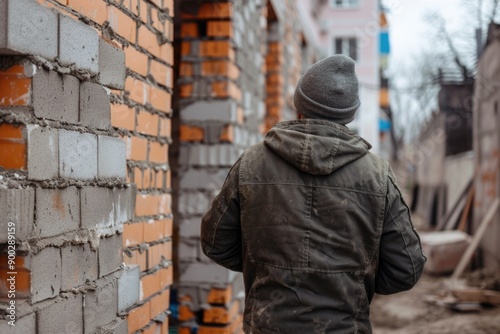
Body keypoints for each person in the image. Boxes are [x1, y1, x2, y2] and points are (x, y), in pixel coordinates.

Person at [200, 55, 426, 333]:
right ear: (350, 113)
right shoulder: (378, 175)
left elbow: (216, 243)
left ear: (299, 105)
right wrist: (352, 281)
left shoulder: (252, 162)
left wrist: (264, 270)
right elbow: (406, 270)